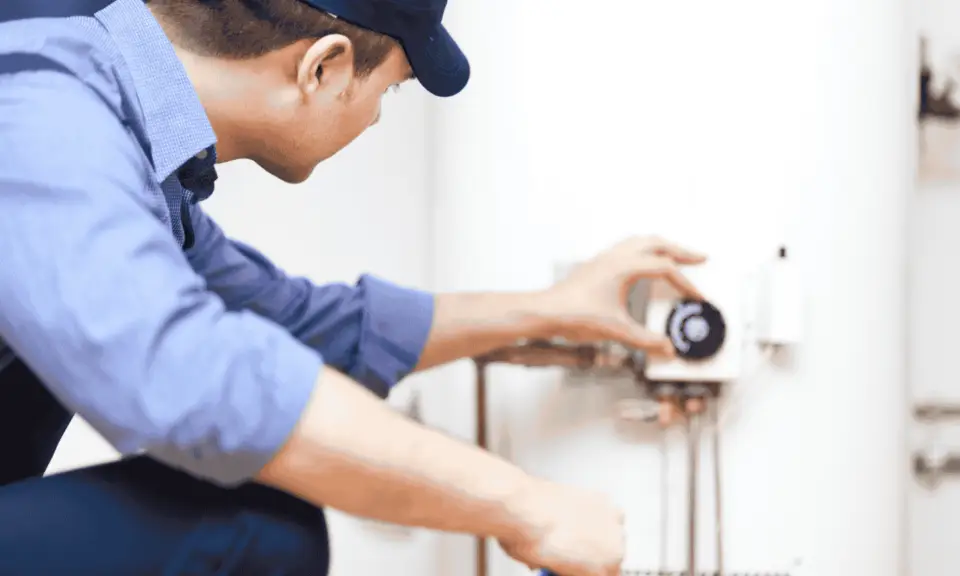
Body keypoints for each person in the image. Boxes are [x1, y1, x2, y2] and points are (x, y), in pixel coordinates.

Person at [0, 0, 706, 574]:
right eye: (389, 89)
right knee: (252, 528)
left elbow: (297, 326)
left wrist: (550, 311)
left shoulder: (132, 151)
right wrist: (526, 505)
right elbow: (194, 378)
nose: (374, 117)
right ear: (323, 67)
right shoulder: (39, 107)